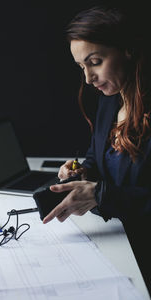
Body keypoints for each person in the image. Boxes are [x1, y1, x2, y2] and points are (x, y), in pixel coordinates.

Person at [42, 5, 151, 295]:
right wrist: (82, 170)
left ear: (127, 49)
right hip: (117, 240)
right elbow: (97, 156)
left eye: (96, 62)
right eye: (82, 67)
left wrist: (99, 195)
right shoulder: (109, 99)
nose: (88, 78)